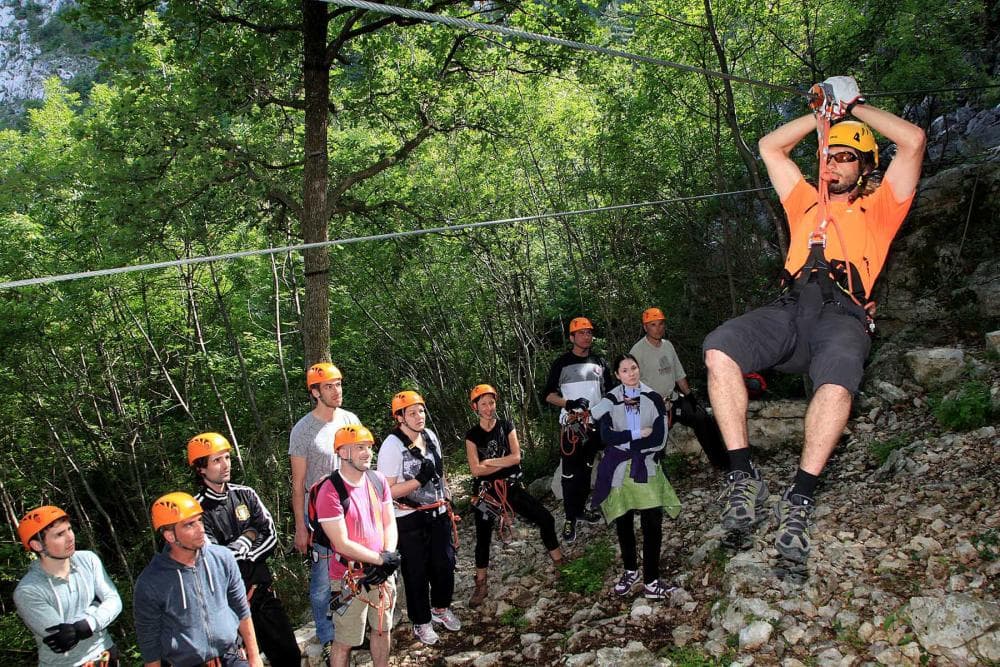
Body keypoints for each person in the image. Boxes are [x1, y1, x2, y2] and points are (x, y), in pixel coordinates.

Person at [703, 75, 926, 563]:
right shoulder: (804, 199)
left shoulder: (883, 205)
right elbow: (770, 147)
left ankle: (800, 498)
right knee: (719, 346)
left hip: (841, 315)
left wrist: (856, 107)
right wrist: (821, 117)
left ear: (866, 166)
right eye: (829, 155)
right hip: (789, 308)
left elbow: (912, 141)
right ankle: (744, 475)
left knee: (838, 384)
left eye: (845, 157)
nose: (832, 163)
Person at [189, 432, 301, 665]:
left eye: (227, 458)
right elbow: (216, 557)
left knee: (289, 656)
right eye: (216, 460)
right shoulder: (196, 510)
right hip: (228, 608)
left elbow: (270, 535)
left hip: (262, 594)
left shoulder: (245, 494)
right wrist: (249, 535)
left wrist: (246, 550)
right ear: (201, 468)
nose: (225, 465)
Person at [133, 492, 264, 667]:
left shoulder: (222, 558)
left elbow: (241, 608)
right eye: (189, 525)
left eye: (199, 520)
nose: (200, 529)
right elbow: (149, 640)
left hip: (230, 657)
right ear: (170, 536)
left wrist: (254, 657)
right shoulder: (151, 582)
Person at [590, 354, 682, 599]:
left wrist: (630, 442)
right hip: (620, 470)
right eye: (624, 370)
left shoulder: (652, 398)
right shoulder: (611, 400)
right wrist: (637, 433)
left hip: (646, 466)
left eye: (634, 368)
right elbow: (606, 436)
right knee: (624, 520)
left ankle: (652, 580)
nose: (631, 373)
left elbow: (658, 439)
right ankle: (630, 570)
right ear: (618, 375)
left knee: (652, 521)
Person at [465, 384, 563, 607]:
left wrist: (489, 462)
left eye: (491, 403)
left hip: (510, 487)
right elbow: (476, 470)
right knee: (482, 538)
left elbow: (516, 457)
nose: (489, 408)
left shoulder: (506, 426)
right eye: (484, 404)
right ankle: (481, 583)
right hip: (485, 493)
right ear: (475, 408)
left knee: (545, 518)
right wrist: (500, 463)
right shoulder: (472, 436)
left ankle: (559, 561)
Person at [289, 362, 360, 659]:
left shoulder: (349, 419)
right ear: (315, 392)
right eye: (329, 386)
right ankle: (327, 633)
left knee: (355, 568)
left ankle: (354, 628)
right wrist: (301, 527)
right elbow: (298, 484)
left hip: (349, 508)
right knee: (321, 579)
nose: (336, 390)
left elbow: (362, 464)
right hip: (318, 513)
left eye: (338, 384)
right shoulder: (303, 431)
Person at [377, 390, 459, 646]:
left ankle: (441, 608)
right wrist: (417, 481)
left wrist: (447, 496)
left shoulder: (430, 437)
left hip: (438, 511)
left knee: (445, 563)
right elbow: (386, 491)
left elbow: (439, 472)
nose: (418, 416)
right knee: (416, 572)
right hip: (408, 517)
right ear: (400, 417)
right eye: (411, 412)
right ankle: (421, 621)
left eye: (421, 410)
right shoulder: (391, 447)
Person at [315, 425, 399, 667]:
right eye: (359, 448)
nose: (367, 453)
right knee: (345, 640)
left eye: (368, 447)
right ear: (342, 453)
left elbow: (388, 522)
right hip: (349, 576)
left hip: (382, 570)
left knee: (383, 628)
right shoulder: (330, 491)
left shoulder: (377, 480)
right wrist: (382, 561)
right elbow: (341, 543)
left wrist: (388, 556)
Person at [14, 505, 122, 666]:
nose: (70, 537)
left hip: (105, 653)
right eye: (59, 534)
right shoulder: (28, 591)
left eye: (69, 529)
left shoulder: (88, 559)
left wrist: (87, 625)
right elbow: (64, 638)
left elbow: (115, 601)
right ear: (37, 546)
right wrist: (97, 605)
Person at [542, 316, 611, 544]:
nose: (586, 336)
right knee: (570, 474)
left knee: (586, 470)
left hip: (594, 424)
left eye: (589, 332)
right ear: (572, 337)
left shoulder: (600, 362)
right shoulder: (561, 363)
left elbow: (610, 394)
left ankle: (580, 510)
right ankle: (570, 517)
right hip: (571, 426)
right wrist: (569, 404)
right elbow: (548, 395)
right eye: (581, 333)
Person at [630, 307, 727, 469]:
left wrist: (690, 397)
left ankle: (723, 463)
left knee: (703, 418)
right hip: (653, 405)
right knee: (655, 440)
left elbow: (679, 375)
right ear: (645, 327)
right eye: (653, 325)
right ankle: (655, 474)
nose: (658, 328)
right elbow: (631, 384)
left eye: (661, 324)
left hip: (673, 400)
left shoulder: (668, 346)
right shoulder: (637, 351)